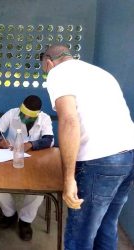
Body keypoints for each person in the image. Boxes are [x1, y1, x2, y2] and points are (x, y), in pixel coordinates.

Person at [42, 44, 134, 250]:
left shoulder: (58, 73)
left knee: (80, 235)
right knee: (107, 226)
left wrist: (68, 179)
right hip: (128, 156)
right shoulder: (101, 74)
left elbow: (69, 121)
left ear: (49, 62)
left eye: (45, 70)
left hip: (99, 162)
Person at [0, 95, 54, 241]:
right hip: (10, 157)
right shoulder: (12, 113)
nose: (24, 117)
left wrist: (31, 145)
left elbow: (49, 140)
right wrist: (0, 141)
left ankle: (25, 221)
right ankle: (9, 214)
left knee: (38, 189)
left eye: (28, 116)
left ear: (36, 115)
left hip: (35, 160)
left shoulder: (44, 118)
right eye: (23, 113)